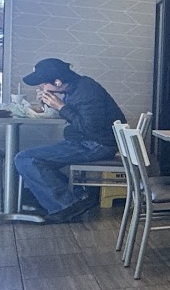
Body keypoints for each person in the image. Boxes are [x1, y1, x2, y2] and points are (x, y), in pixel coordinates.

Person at [15, 57, 125, 223]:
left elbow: (90, 128)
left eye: (43, 83)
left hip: (99, 144)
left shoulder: (87, 91)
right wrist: (50, 105)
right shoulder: (75, 88)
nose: (41, 87)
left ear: (58, 82)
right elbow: (78, 118)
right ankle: (77, 198)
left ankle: (67, 205)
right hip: (86, 141)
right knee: (32, 159)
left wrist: (60, 106)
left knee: (26, 158)